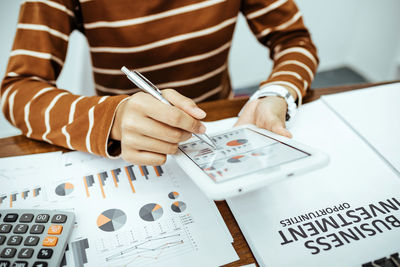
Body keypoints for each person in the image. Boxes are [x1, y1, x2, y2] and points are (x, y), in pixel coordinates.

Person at [1, 0, 318, 165]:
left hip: (220, 124)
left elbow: (294, 41)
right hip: (127, 148)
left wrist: (277, 93)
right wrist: (111, 118)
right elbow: (17, 90)